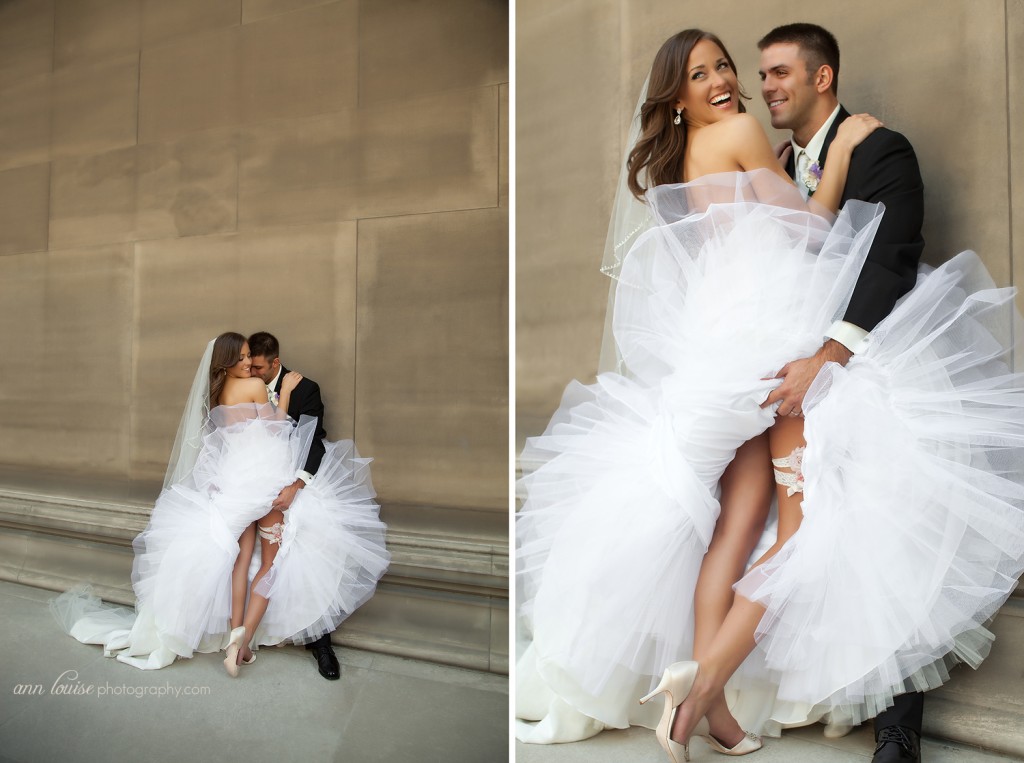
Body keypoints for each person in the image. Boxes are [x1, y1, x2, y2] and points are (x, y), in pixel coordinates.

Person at [516, 25, 1024, 763]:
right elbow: (814, 227)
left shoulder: (689, 163)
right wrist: (840, 158)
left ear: (822, 77)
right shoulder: (750, 136)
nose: (736, 81)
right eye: (707, 72)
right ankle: (700, 690)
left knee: (737, 521)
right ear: (677, 96)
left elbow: (879, 255)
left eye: (740, 68)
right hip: (766, 362)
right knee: (803, 529)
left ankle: (715, 708)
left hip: (718, 362)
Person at [754, 23, 925, 763]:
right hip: (781, 368)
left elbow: (891, 257)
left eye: (780, 72)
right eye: (762, 75)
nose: (767, 87)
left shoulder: (883, 150)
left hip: (864, 355)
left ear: (822, 78)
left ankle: (897, 719)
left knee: (878, 512)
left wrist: (826, 359)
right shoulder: (771, 166)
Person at [52, 333, 390, 675]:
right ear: (228, 360)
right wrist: (284, 393)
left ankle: (236, 634)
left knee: (239, 562)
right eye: (242, 357)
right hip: (266, 483)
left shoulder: (216, 393)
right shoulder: (256, 386)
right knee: (271, 564)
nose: (247, 363)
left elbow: (227, 441)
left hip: (234, 483)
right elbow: (275, 430)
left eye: (251, 358)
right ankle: (238, 647)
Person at [247, 330, 340, 680]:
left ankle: (320, 640)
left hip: (294, 477)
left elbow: (316, 442)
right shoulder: (243, 385)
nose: (252, 372)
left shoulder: (305, 389)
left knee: (309, 544)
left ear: (275, 362)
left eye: (258, 367)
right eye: (249, 366)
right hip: (254, 479)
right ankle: (247, 630)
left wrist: (296, 485)